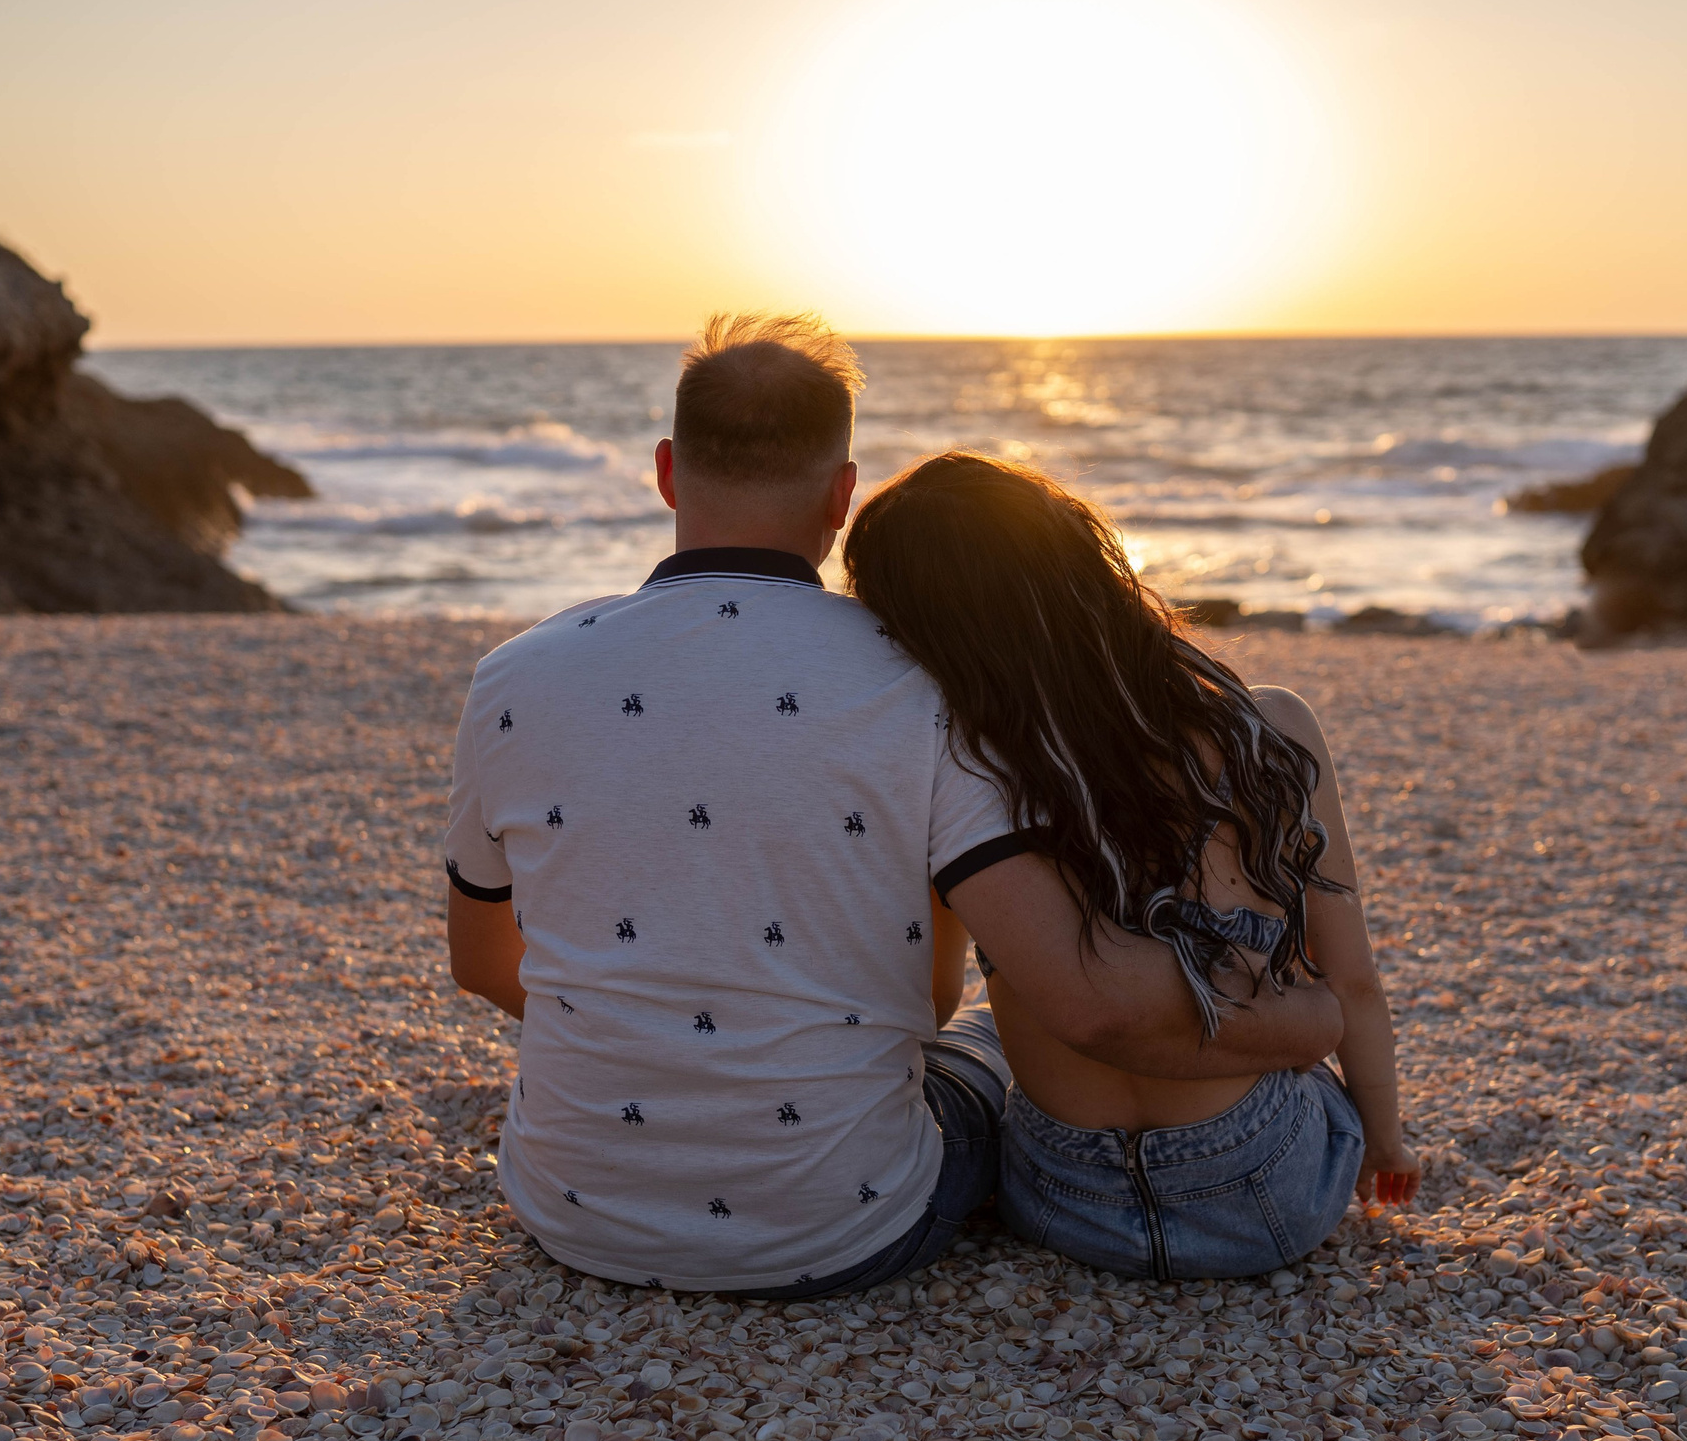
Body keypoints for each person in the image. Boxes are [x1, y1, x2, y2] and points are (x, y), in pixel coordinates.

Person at [439, 313, 1340, 1298]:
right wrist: (1315, 1023)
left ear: (665, 472)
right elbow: (1065, 1003)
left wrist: (659, 1030)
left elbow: (481, 963)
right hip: (846, 1226)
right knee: (984, 1048)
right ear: (842, 493)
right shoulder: (922, 685)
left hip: (575, 1212)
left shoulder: (513, 678)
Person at [841, 451, 1417, 1281]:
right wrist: (1386, 1141)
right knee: (1290, 999)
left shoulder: (965, 773)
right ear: (1086, 565)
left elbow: (929, 999)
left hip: (1062, 1195)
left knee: (988, 1018)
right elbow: (1352, 979)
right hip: (1268, 1188)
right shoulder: (1271, 729)